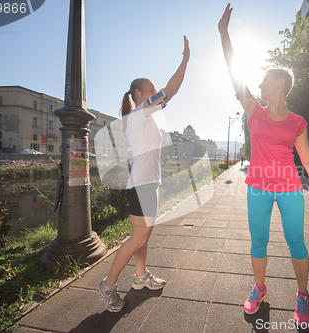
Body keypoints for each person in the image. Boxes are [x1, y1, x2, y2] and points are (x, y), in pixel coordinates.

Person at [218, 4, 309, 324]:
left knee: (296, 241)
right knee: (258, 241)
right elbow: (233, 72)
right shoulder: (255, 111)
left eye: (265, 81)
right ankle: (259, 288)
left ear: (280, 85)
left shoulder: (297, 121)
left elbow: (307, 159)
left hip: (289, 190)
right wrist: (223, 33)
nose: (259, 86)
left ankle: (302, 295)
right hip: (257, 188)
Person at [97, 36, 190, 312]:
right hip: (143, 185)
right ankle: (108, 285)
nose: (154, 91)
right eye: (150, 88)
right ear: (139, 94)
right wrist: (185, 60)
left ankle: (140, 278)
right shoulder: (141, 111)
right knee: (139, 237)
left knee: (142, 235)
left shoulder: (139, 116)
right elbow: (170, 90)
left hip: (144, 184)